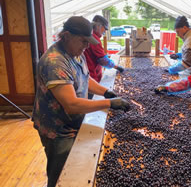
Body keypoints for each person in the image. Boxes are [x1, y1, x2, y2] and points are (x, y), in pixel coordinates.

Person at [32, 16, 130, 187]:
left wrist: (106, 92)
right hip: (58, 129)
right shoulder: (55, 63)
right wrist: (110, 103)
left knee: (75, 168)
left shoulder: (76, 53)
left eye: (88, 42)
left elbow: (85, 78)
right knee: (61, 175)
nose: (86, 46)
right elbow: (72, 105)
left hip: (73, 123)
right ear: (67, 35)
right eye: (83, 41)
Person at [84, 15, 124, 98]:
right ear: (99, 26)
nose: (105, 31)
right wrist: (116, 67)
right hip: (90, 76)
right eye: (104, 28)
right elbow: (103, 60)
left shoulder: (91, 36)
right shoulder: (93, 39)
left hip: (88, 76)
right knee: (90, 99)